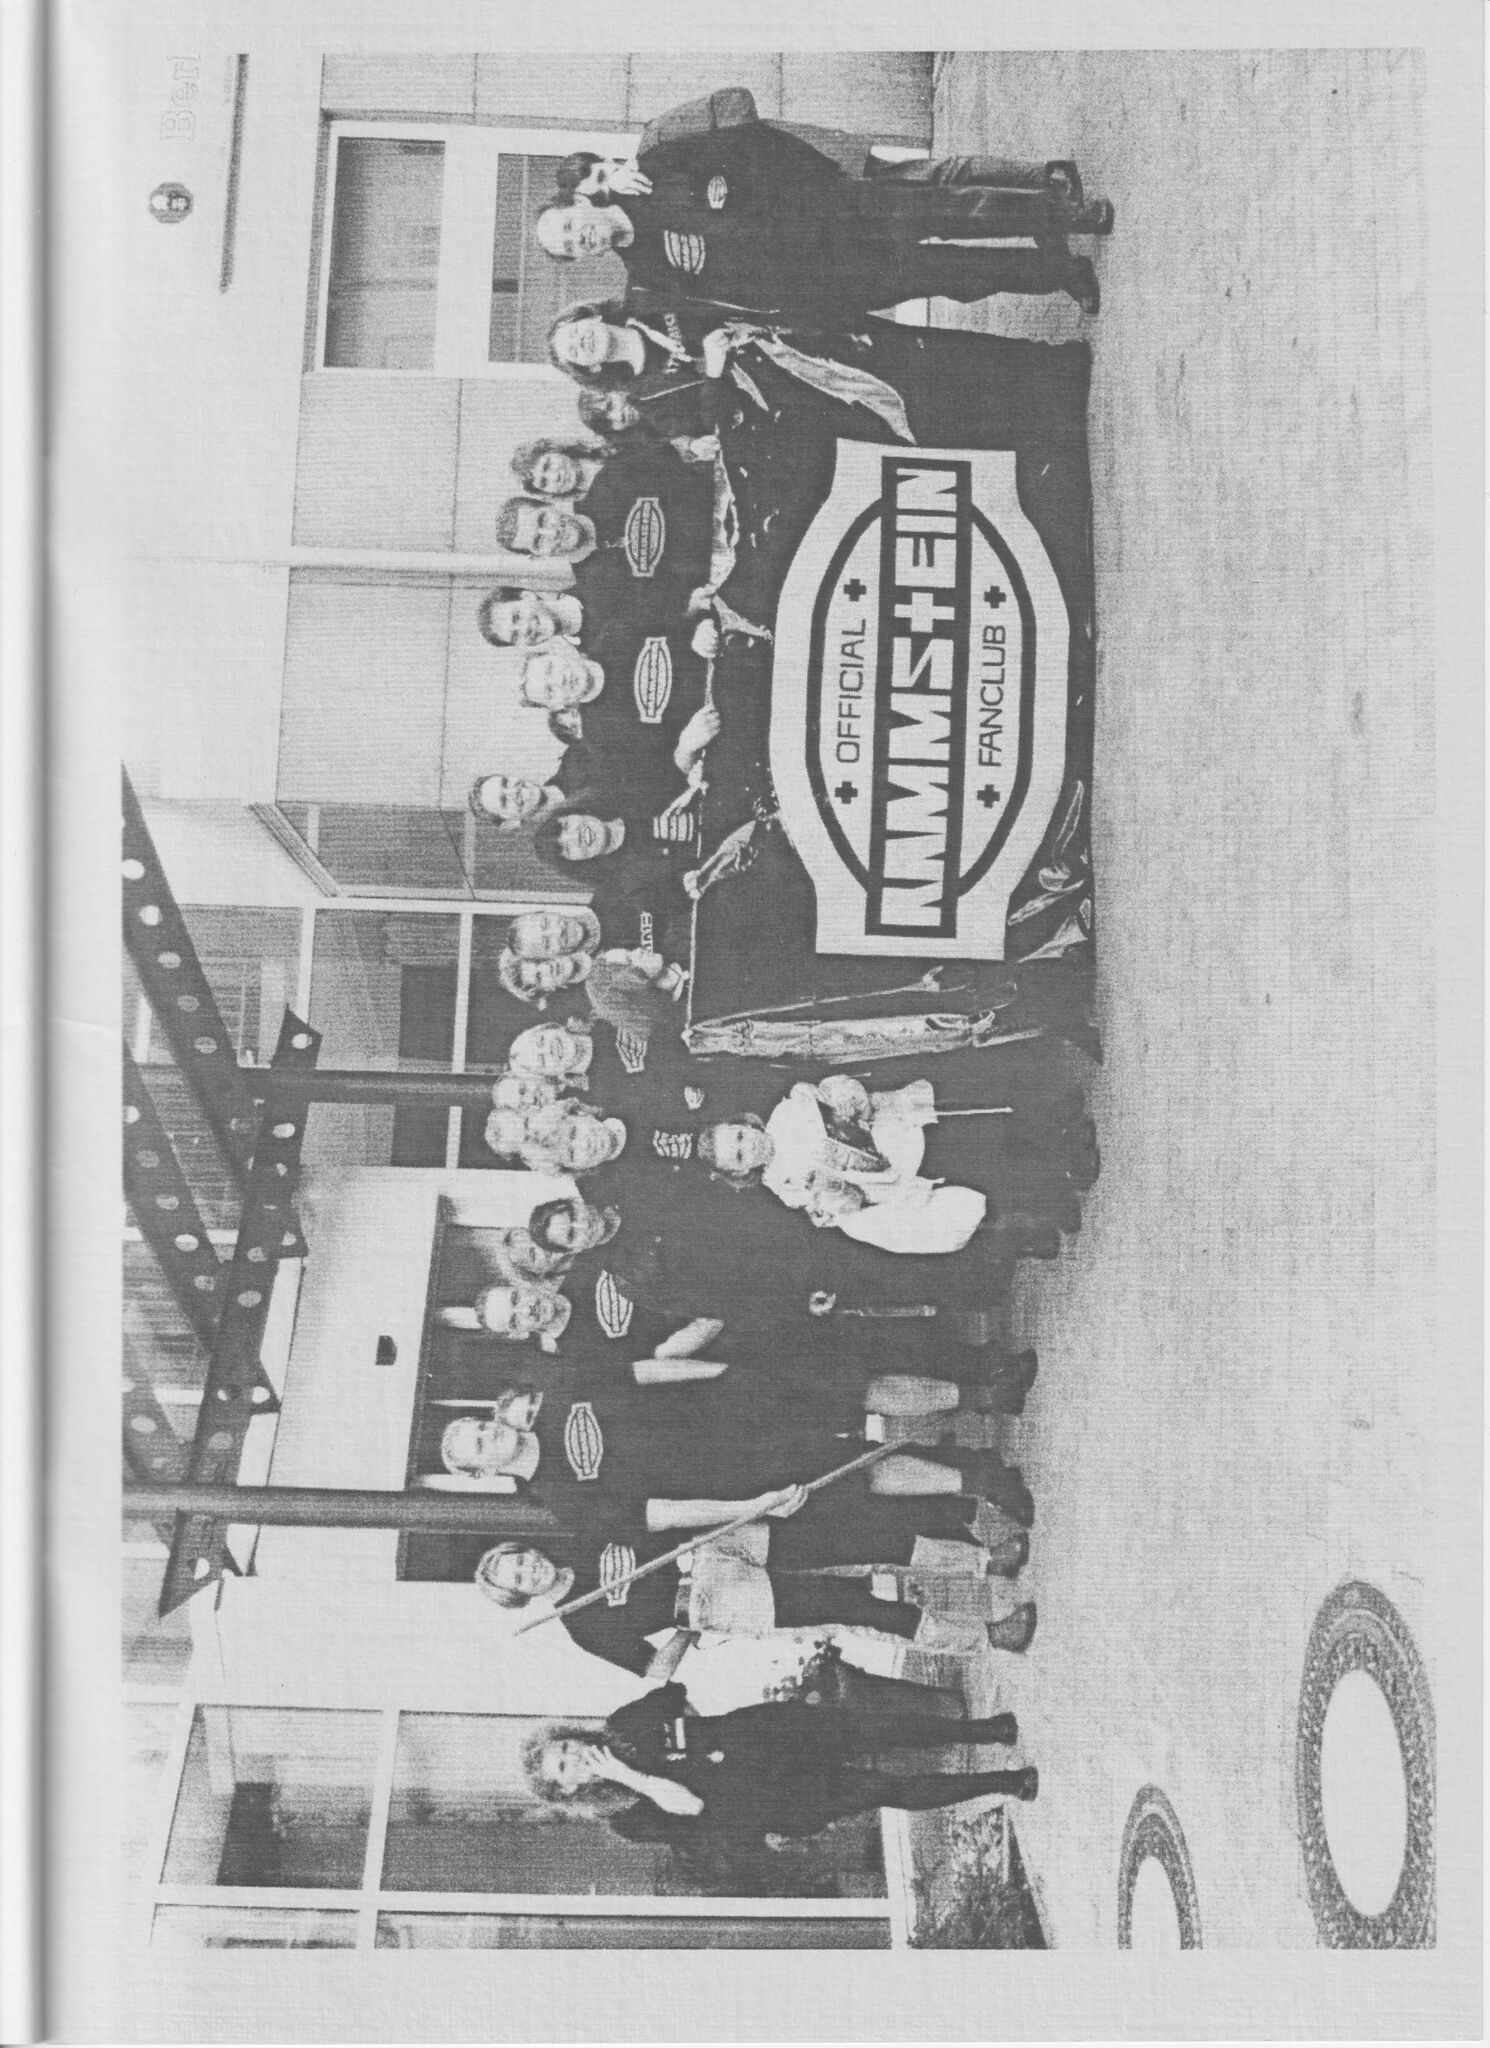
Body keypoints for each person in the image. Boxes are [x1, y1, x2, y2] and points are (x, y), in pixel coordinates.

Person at [533, 88, 1108, 316]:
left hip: (830, 204)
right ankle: (1062, 271)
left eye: (569, 227)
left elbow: (745, 130)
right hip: (832, 271)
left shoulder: (655, 165)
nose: (579, 239)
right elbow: (733, 294)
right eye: (569, 248)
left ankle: (1068, 214)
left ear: (579, 202)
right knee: (957, 276)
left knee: (953, 208)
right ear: (578, 259)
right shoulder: (648, 275)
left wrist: (814, 177)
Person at [526, 1683, 1036, 1845]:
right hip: (774, 1800)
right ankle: (1008, 1781)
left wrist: (713, 1742)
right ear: (568, 1792)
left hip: (770, 1735)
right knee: (887, 1790)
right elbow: (690, 1805)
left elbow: (674, 1696)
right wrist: (626, 1775)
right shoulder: (625, 1818)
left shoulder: (623, 1724)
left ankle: (988, 1731)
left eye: (565, 1748)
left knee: (877, 1729)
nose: (574, 1758)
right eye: (563, 1769)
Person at [476, 587, 585, 649]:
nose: (525, 629)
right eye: (515, 635)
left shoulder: (591, 581)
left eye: (517, 617)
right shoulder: (586, 658)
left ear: (528, 596)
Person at [511, 436, 607, 500]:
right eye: (544, 483)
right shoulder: (586, 514)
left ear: (555, 450)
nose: (555, 477)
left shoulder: (609, 444)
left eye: (547, 465)